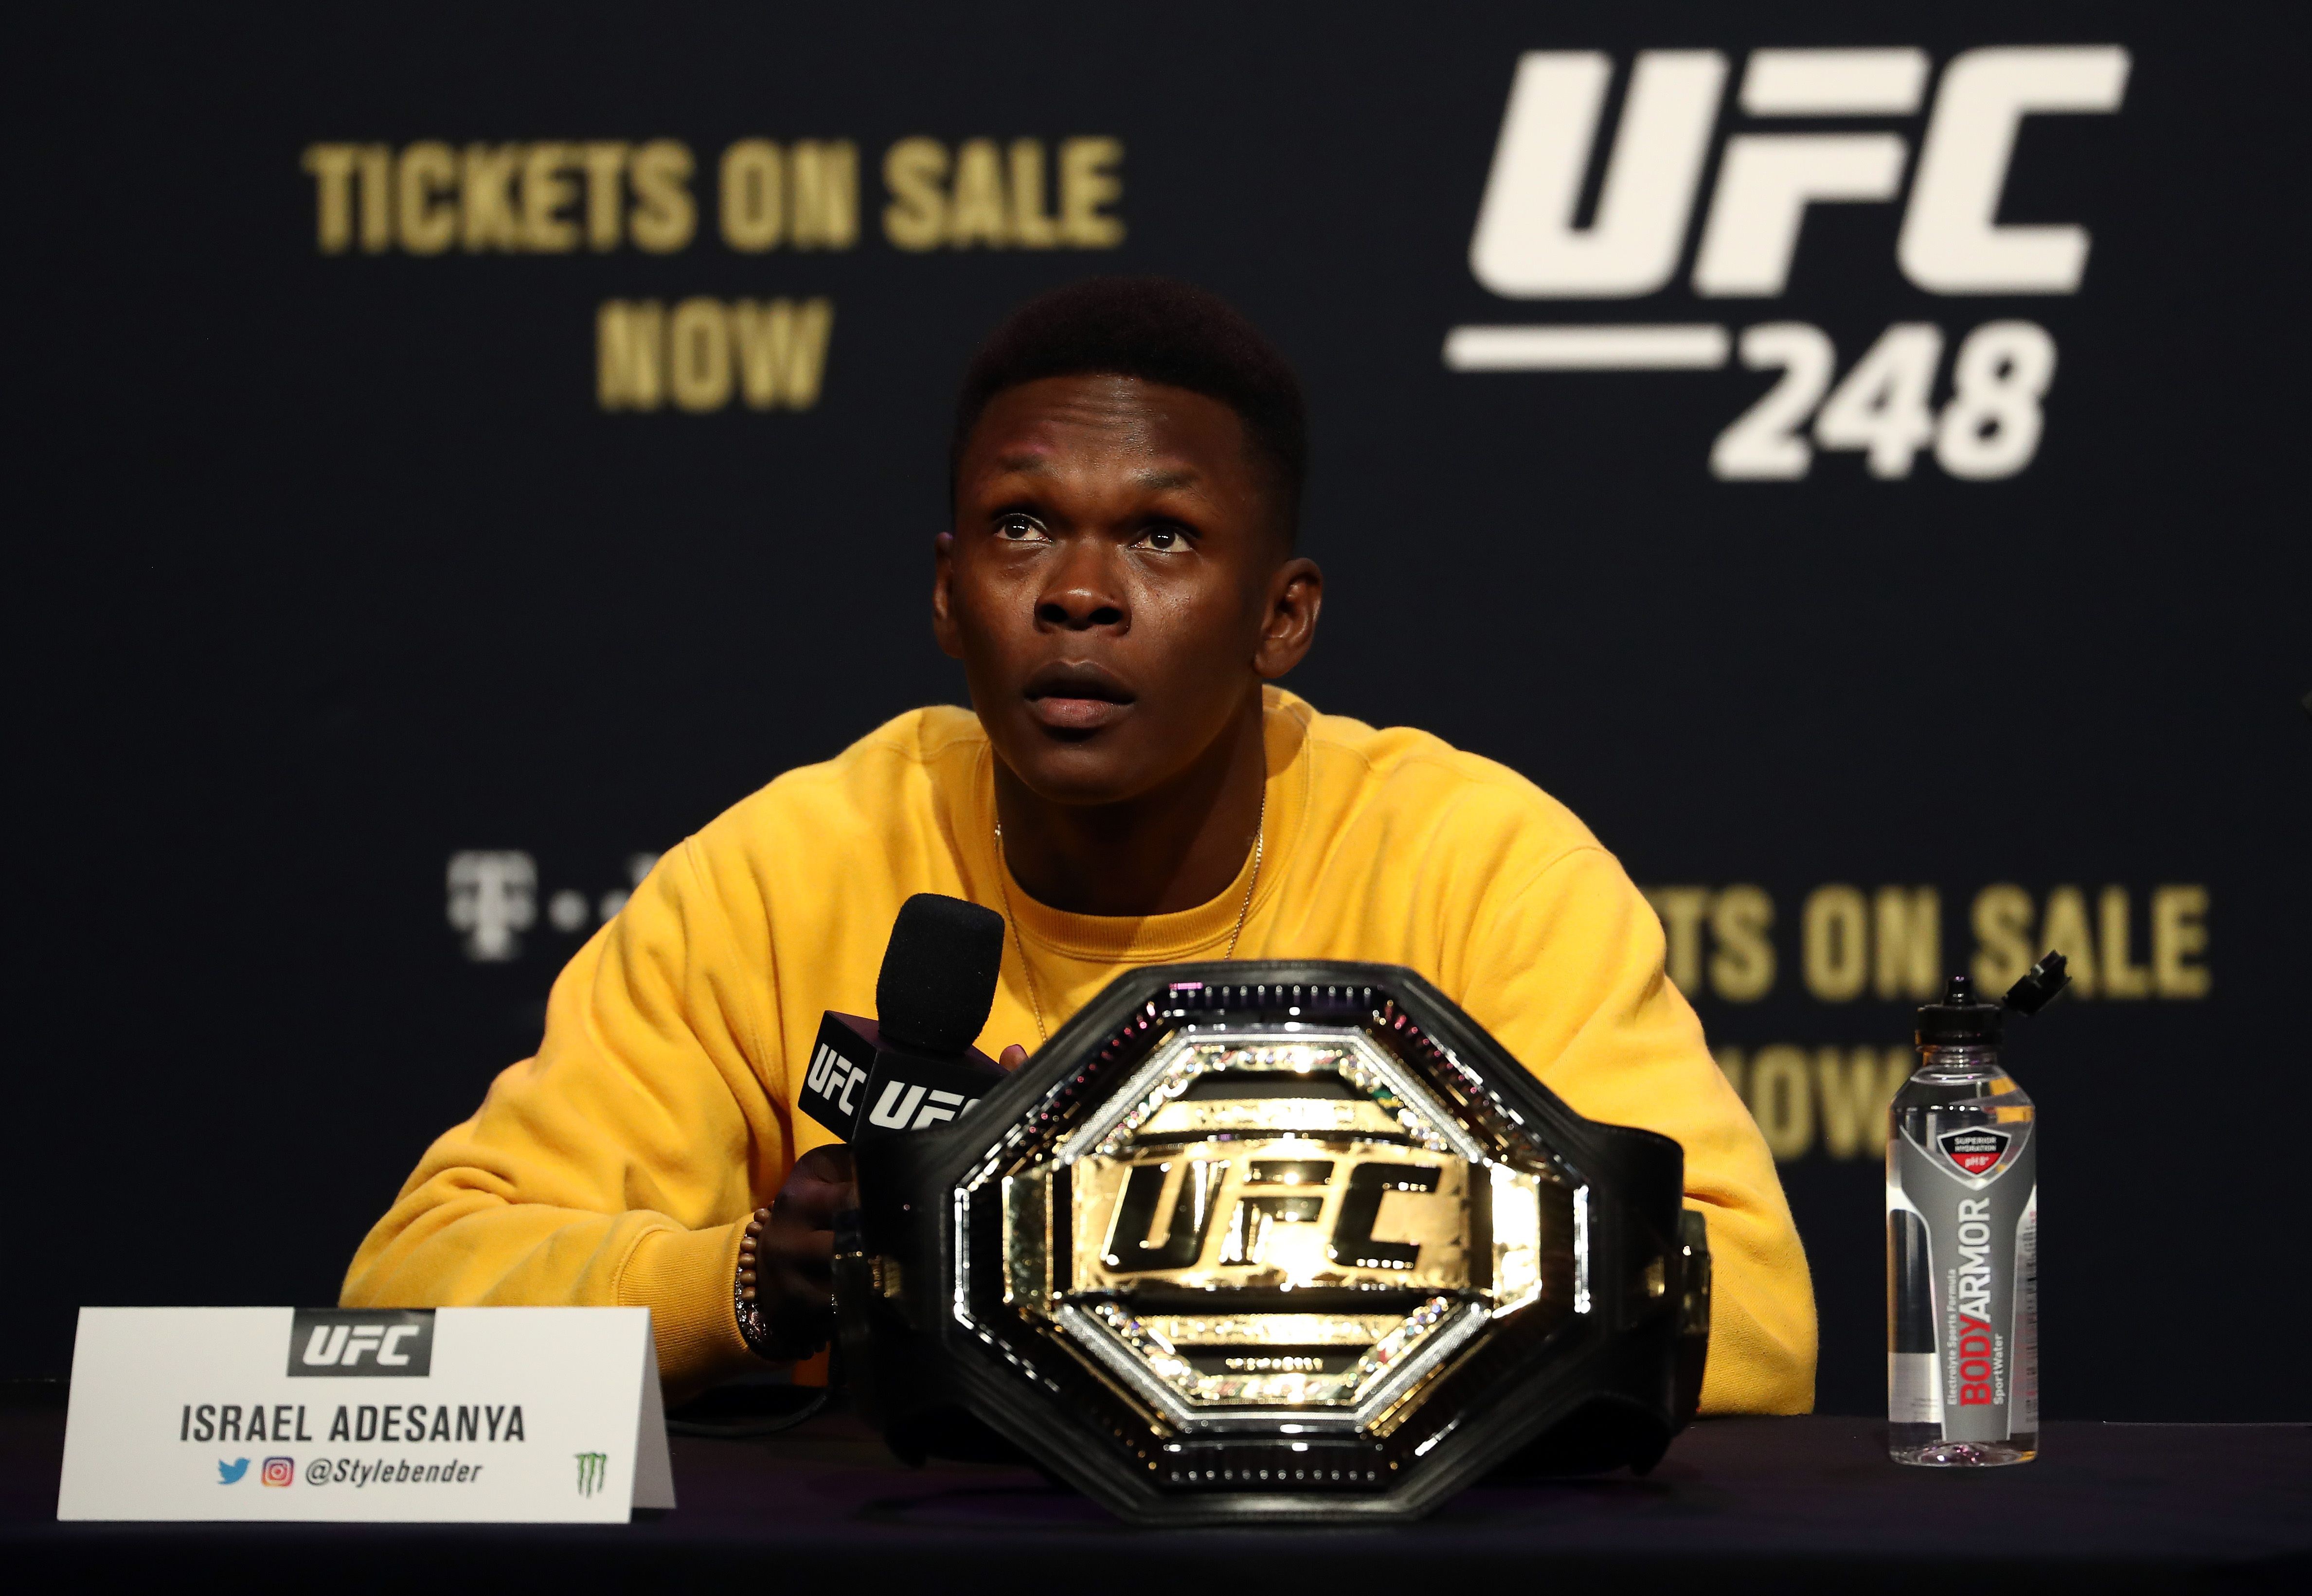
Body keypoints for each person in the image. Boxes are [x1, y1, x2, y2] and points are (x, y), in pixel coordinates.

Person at [344, 277, 1816, 1413]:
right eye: (1021, 526)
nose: (1079, 595)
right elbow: (409, 1297)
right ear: (946, 591)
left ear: (1281, 615)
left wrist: (1184, 1264)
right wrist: (741, 1282)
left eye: (1163, 539)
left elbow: (1743, 1309)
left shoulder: (1475, 865)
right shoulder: (777, 871)